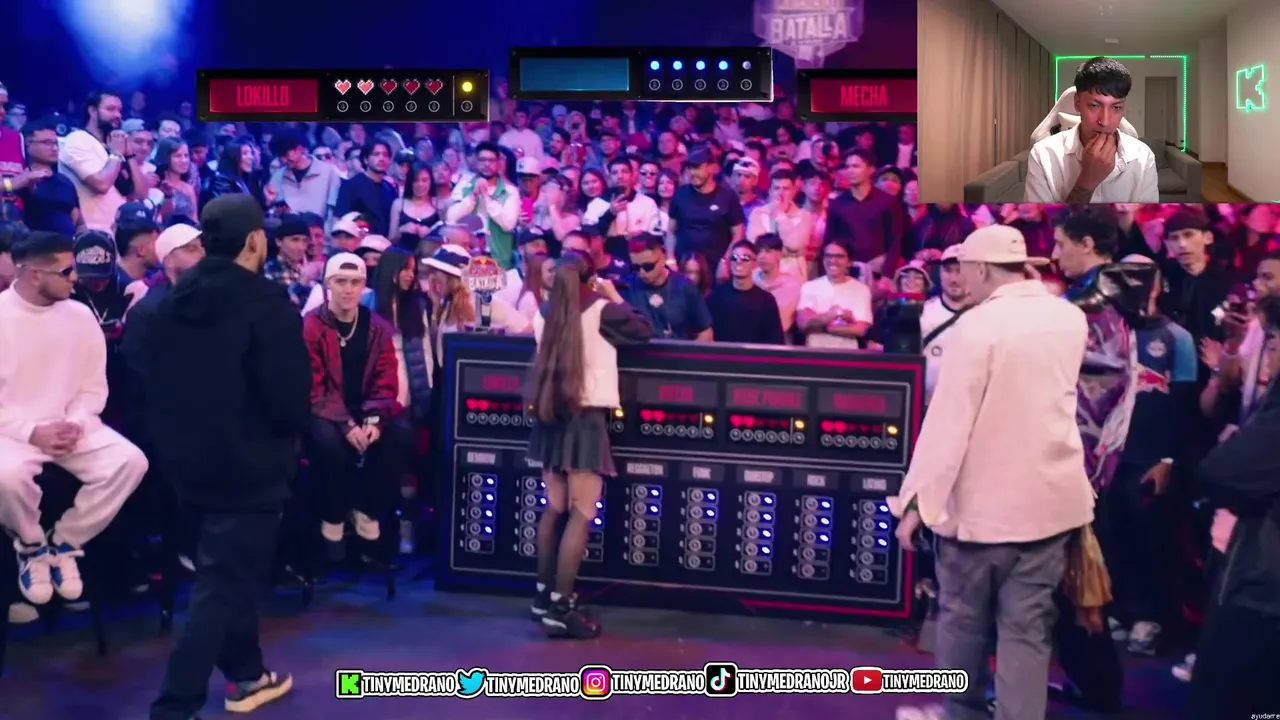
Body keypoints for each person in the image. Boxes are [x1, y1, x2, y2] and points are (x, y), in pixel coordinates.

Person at [889, 225, 1094, 720]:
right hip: (1050, 506)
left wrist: (916, 502)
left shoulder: (978, 326)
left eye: (964, 269)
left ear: (980, 269)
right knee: (1028, 631)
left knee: (963, 623)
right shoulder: (1069, 318)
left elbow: (950, 423)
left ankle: (962, 714)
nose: (960, 279)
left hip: (982, 511)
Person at [144, 194, 310, 719]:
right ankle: (174, 707)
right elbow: (289, 400)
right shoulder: (266, 303)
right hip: (250, 469)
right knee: (220, 586)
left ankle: (246, 674)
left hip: (187, 467)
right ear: (255, 241)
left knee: (226, 574)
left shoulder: (170, 299)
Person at [0, 230, 148, 606]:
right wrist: (32, 432)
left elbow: (93, 388)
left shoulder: (81, 316)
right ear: (34, 274)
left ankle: (64, 542)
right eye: (66, 271)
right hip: (11, 433)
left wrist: (76, 424)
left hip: (73, 426)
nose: (76, 278)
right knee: (6, 477)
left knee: (130, 462)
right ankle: (31, 547)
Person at [527, 251, 654, 638]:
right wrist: (613, 294)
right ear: (591, 277)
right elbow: (644, 329)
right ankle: (561, 608)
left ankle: (542, 597)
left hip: (549, 416)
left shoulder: (544, 311)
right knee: (582, 512)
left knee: (554, 508)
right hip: (584, 419)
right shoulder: (603, 309)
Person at [1190, 293, 1280, 719]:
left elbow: (1222, 472)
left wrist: (1234, 449)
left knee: (1227, 699)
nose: (1268, 350)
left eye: (1274, 340)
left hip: (1264, 587)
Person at [302, 251, 409, 560]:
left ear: (364, 286)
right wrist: (347, 424)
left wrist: (375, 420)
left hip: (365, 408)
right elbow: (313, 388)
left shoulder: (377, 327)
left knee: (400, 435)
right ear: (327, 285)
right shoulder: (311, 326)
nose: (348, 290)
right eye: (340, 282)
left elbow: (386, 382)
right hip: (324, 410)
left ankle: (367, 508)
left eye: (354, 283)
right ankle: (333, 512)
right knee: (328, 443)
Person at [1024, 57, 1159, 203]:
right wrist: (1086, 183)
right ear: (1077, 103)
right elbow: (1039, 218)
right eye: (1094, 105)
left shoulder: (1143, 157)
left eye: (1116, 107)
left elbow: (1149, 217)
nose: (1105, 122)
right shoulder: (1043, 155)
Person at [706, 240, 785, 344]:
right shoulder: (716, 296)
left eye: (745, 258)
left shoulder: (766, 301)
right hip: (722, 353)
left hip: (755, 353)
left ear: (754, 263)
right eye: (734, 258)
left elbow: (775, 339)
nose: (739, 262)